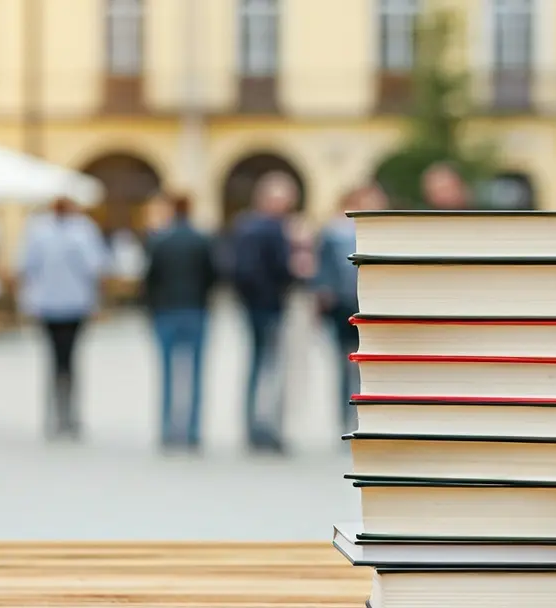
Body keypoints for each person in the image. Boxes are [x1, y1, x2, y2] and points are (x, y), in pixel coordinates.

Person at [18, 197, 109, 439]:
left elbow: (27, 267)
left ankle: (63, 414)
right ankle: (62, 415)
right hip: (62, 304)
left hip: (65, 304)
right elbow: (95, 266)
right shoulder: (77, 230)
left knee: (62, 360)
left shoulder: (48, 229)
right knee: (63, 361)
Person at [142, 194, 217, 451]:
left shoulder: (159, 240)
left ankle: (167, 429)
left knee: (166, 373)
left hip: (165, 311)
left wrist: (151, 309)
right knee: (195, 373)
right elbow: (212, 276)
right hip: (195, 309)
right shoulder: (201, 239)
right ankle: (193, 431)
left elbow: (150, 279)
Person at [230, 172, 298, 452]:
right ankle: (263, 429)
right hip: (268, 305)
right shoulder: (270, 228)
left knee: (257, 366)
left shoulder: (244, 226)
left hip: (255, 305)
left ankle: (252, 427)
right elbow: (280, 268)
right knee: (267, 368)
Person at [314, 184, 386, 433]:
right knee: (344, 365)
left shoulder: (381, 231)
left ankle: (367, 416)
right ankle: (345, 416)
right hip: (345, 306)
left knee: (370, 367)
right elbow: (324, 270)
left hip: (373, 307)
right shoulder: (334, 232)